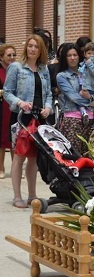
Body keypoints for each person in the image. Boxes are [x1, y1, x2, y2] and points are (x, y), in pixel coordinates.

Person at [3, 34, 53, 208]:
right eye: (30, 46)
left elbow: (48, 94)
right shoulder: (16, 67)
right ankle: (17, 196)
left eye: (36, 47)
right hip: (21, 117)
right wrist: (20, 103)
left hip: (40, 117)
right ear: (26, 48)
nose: (32, 49)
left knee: (34, 158)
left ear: (41, 50)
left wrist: (48, 107)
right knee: (19, 156)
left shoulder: (44, 69)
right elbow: (7, 92)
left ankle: (32, 194)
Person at [56, 43, 94, 155]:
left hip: (90, 120)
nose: (72, 58)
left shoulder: (87, 72)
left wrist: (91, 97)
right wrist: (92, 103)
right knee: (73, 157)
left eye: (75, 55)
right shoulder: (62, 76)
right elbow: (74, 97)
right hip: (72, 119)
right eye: (69, 55)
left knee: (90, 156)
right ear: (65, 58)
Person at [0, 44, 17, 179]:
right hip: (1, 107)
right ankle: (1, 168)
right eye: (9, 55)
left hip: (14, 106)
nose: (12, 58)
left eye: (13, 55)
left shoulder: (17, 69)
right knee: (2, 138)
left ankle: (15, 168)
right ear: (1, 57)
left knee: (14, 137)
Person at [78, 42, 94, 127]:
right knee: (79, 98)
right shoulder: (84, 63)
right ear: (84, 54)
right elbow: (81, 72)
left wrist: (89, 64)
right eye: (89, 53)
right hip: (86, 86)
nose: (91, 56)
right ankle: (84, 113)